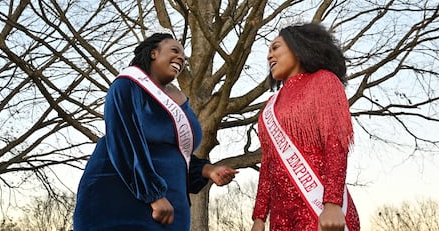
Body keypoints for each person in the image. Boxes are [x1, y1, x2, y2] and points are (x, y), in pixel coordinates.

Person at [74, 32, 237, 231]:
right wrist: (154, 195)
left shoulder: (179, 100)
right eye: (175, 51)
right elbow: (124, 140)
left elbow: (172, 154)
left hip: (170, 208)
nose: (181, 58)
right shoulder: (127, 84)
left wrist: (207, 171)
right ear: (153, 53)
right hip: (121, 200)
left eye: (184, 57)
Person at [251, 22, 360, 231]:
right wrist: (259, 217)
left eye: (275, 48)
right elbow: (268, 163)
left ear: (297, 47)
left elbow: (335, 141)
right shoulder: (269, 106)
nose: (269, 56)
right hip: (281, 217)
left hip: (320, 210)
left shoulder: (324, 81)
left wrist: (332, 203)